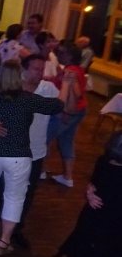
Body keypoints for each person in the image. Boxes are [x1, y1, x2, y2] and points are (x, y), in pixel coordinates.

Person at [0, 60, 67, 255]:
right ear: (19, 77)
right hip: (18, 156)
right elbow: (57, 106)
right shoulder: (27, 99)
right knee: (14, 197)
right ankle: (4, 241)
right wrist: (66, 85)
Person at [0, 55, 60, 249]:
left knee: (26, 193)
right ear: (24, 70)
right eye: (36, 68)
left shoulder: (48, 89)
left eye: (42, 69)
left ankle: (15, 229)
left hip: (35, 152)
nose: (40, 73)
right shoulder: (9, 89)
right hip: (8, 150)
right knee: (0, 187)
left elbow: (63, 108)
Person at [49, 41, 87, 188]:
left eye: (61, 52)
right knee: (66, 141)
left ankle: (40, 170)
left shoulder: (70, 71)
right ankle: (67, 177)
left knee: (45, 138)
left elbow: (76, 93)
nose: (58, 55)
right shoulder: (77, 69)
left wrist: (66, 112)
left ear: (70, 56)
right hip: (79, 110)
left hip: (70, 111)